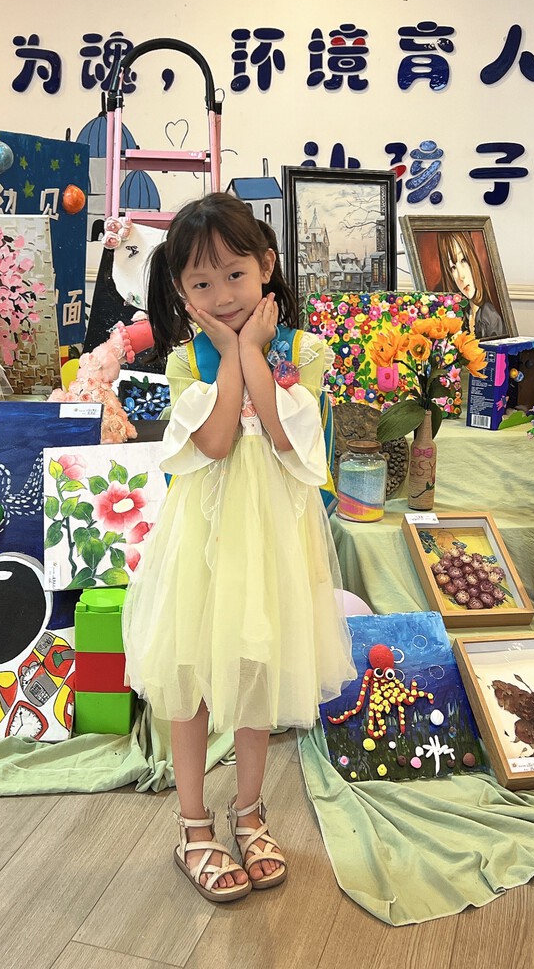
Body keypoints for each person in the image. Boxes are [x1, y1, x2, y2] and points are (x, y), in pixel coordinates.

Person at [124, 193, 355, 903]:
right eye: (202, 282)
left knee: (257, 670)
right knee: (189, 676)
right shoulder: (184, 361)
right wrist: (230, 354)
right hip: (204, 542)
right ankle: (194, 825)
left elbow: (285, 437)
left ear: (267, 266)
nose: (222, 295)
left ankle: (249, 812)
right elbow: (219, 440)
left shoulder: (304, 353)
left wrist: (251, 350)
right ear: (180, 290)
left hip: (273, 544)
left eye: (234, 275)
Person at [435, 230, 505, 340]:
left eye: (463, 260)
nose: (461, 276)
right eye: (453, 268)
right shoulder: (463, 314)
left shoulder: (489, 315)